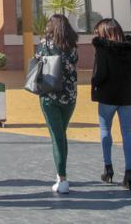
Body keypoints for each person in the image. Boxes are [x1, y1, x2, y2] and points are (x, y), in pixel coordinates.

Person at [91, 17, 131, 190]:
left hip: (107, 95)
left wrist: (94, 82)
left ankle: (108, 168)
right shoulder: (129, 49)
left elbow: (101, 74)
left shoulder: (102, 49)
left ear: (104, 32)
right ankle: (128, 173)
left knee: (105, 130)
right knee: (127, 132)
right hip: (127, 95)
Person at [36, 13, 79, 194]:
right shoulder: (72, 47)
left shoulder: (45, 44)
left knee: (57, 136)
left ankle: (62, 178)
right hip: (69, 96)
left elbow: (37, 61)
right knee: (62, 134)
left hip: (49, 96)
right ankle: (61, 176)